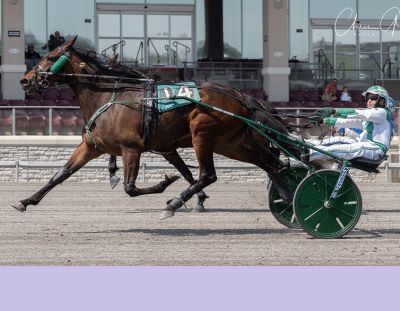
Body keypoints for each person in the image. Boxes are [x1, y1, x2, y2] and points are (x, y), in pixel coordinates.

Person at [308, 85, 394, 163]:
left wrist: (334, 111)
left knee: (338, 149)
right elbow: (350, 122)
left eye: (373, 97)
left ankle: (309, 154)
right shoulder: (372, 117)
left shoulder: (383, 112)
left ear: (382, 100)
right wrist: (324, 120)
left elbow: (358, 113)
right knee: (339, 141)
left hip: (375, 149)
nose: (369, 100)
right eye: (367, 97)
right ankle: (309, 145)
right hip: (369, 147)